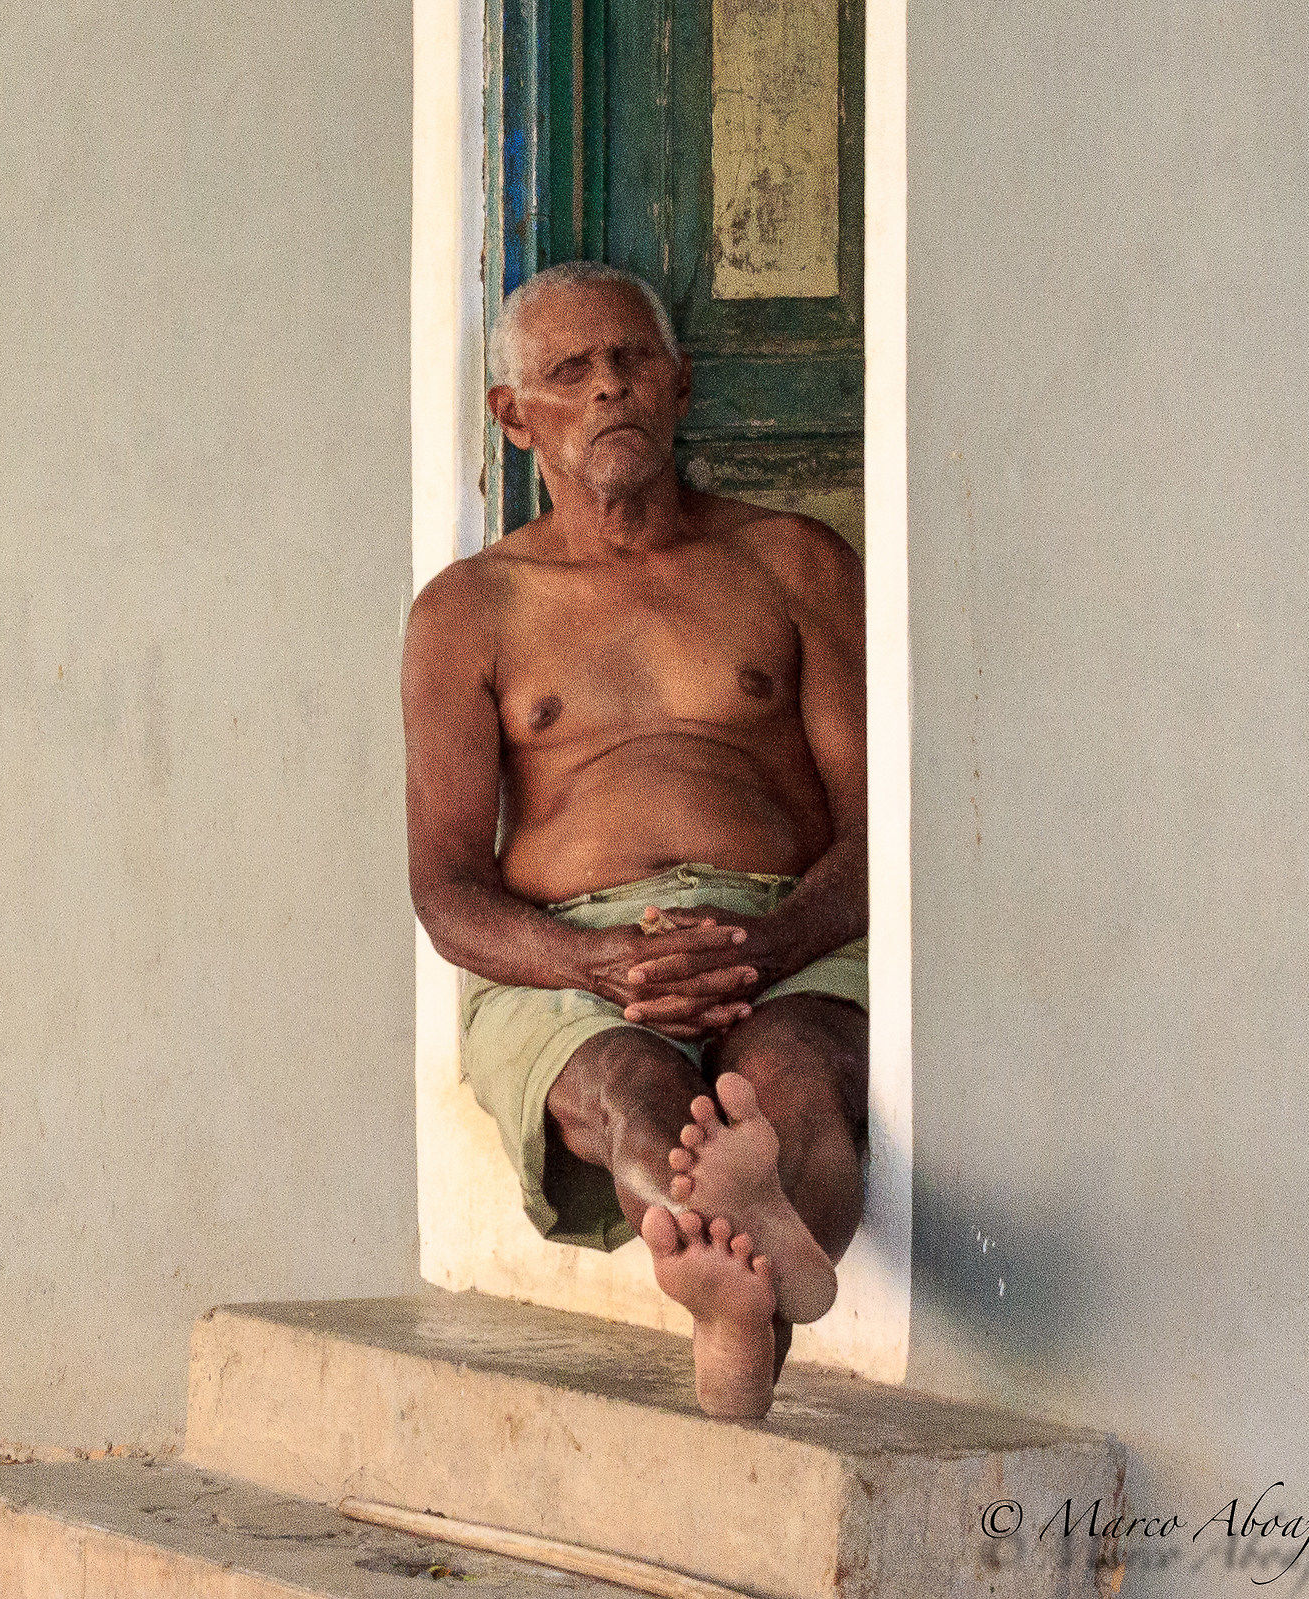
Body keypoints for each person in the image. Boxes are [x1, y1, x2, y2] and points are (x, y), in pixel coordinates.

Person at [402, 262, 866, 1418]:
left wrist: (776, 937)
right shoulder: (468, 609)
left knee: (796, 1074)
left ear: (682, 383)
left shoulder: (792, 563)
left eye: (633, 360)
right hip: (570, 955)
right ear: (514, 419)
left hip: (789, 926)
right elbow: (446, 888)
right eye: (572, 371)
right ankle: (747, 1273)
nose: (611, 387)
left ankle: (726, 1294)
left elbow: (877, 831)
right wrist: (598, 966)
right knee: (629, 1084)